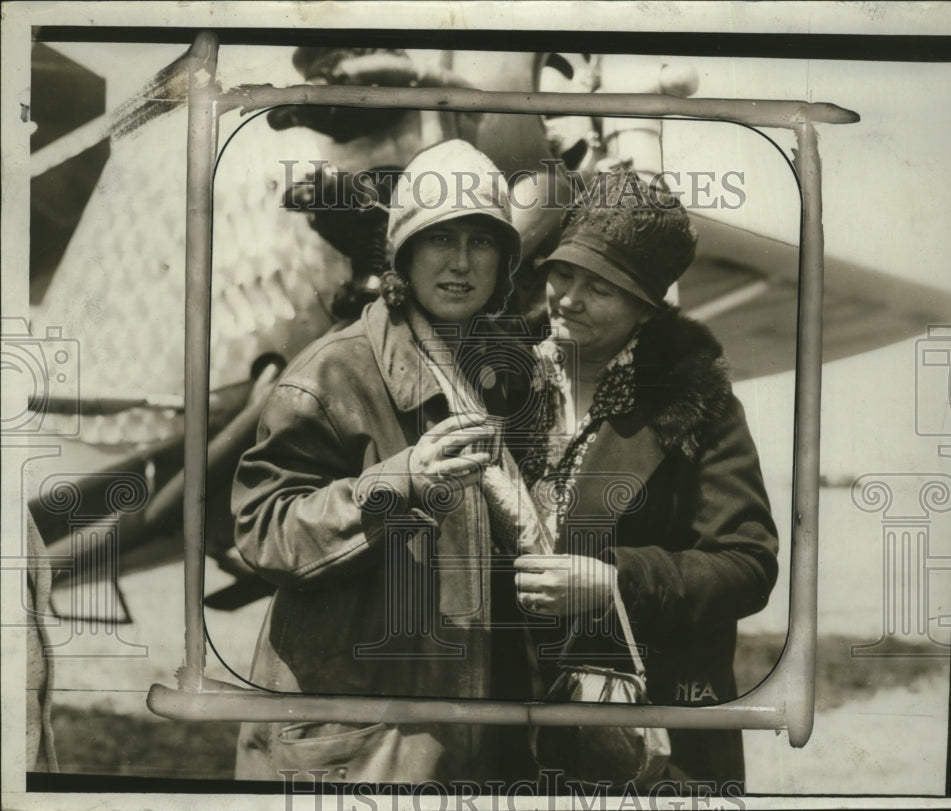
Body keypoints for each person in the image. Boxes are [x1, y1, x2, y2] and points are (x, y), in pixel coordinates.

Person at [230, 139, 534, 784]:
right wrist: (400, 483)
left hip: (468, 737)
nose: (459, 264)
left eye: (481, 241)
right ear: (403, 254)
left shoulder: (503, 376)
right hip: (360, 746)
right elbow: (263, 530)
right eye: (438, 240)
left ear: (505, 260)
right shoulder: (330, 371)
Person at [514, 166, 779, 791]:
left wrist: (616, 581)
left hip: (651, 740)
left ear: (644, 309)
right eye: (562, 272)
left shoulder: (696, 403)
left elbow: (748, 564)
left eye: (600, 287)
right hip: (512, 731)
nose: (569, 298)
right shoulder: (503, 379)